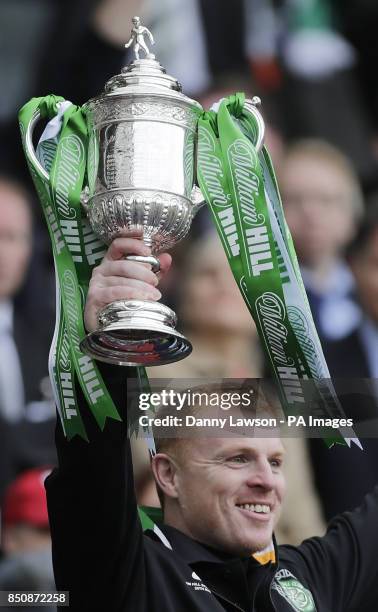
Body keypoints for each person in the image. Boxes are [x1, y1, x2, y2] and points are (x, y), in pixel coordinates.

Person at [46, 236, 378, 611]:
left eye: (275, 462)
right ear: (168, 475)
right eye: (237, 458)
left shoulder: (304, 578)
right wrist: (109, 341)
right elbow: (92, 473)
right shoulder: (128, 574)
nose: (266, 480)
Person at [279, 139, 364, 342]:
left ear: (353, 215)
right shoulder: (260, 299)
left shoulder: (368, 292)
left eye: (326, 200)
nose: (311, 213)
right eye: (294, 199)